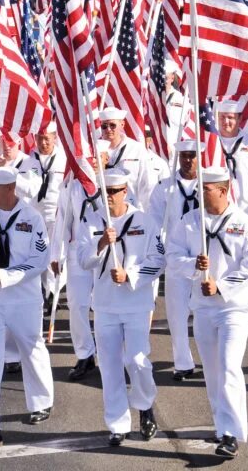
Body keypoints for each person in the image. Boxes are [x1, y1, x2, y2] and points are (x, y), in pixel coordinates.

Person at [167, 167, 248, 459]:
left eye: (205, 189)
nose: (199, 194)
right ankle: (221, 425)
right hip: (202, 308)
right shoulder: (188, 223)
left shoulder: (244, 223)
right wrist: (192, 266)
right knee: (212, 372)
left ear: (222, 191)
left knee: (229, 367)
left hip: (234, 307)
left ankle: (232, 434)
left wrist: (221, 286)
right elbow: (172, 257)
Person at [0, 167, 54, 448]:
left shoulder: (32, 218)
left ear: (10, 189)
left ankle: (41, 401)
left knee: (31, 347)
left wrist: (6, 275)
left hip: (24, 299)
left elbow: (39, 260)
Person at [77, 168, 162, 447]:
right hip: (105, 305)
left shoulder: (145, 222)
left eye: (114, 192)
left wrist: (131, 275)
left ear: (125, 191)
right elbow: (82, 260)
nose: (109, 197)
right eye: (105, 192)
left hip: (136, 303)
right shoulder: (91, 221)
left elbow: (158, 260)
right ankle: (117, 423)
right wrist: (101, 242)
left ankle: (145, 405)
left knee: (137, 361)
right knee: (110, 366)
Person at [50, 140, 112, 382]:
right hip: (79, 249)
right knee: (77, 304)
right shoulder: (71, 185)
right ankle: (85, 354)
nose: (93, 161)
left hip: (107, 249)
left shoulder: (116, 184)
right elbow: (62, 220)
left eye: (98, 157)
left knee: (105, 303)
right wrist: (57, 253)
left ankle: (109, 352)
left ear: (106, 158)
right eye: (89, 157)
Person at [149, 140, 201, 381]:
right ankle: (183, 362)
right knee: (177, 313)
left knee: (205, 312)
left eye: (192, 155)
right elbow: (154, 224)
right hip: (176, 256)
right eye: (184, 155)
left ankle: (210, 359)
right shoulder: (165, 188)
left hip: (204, 257)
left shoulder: (209, 184)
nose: (188, 160)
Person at [215, 98, 248, 316]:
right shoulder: (212, 142)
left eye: (231, 118)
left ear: (239, 119)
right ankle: (223, 294)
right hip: (220, 211)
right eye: (222, 117)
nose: (226, 122)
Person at [17, 122, 67, 305]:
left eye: (47, 138)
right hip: (35, 213)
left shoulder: (63, 158)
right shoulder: (29, 161)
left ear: (55, 138)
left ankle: (53, 291)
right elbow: (24, 190)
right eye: (39, 138)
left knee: (56, 252)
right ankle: (43, 292)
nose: (43, 142)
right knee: (39, 250)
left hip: (56, 211)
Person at [99, 107, 156, 205]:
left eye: (112, 125)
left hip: (131, 209)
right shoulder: (95, 150)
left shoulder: (136, 149)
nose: (108, 129)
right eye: (104, 126)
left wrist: (142, 212)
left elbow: (147, 183)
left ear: (122, 125)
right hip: (102, 209)